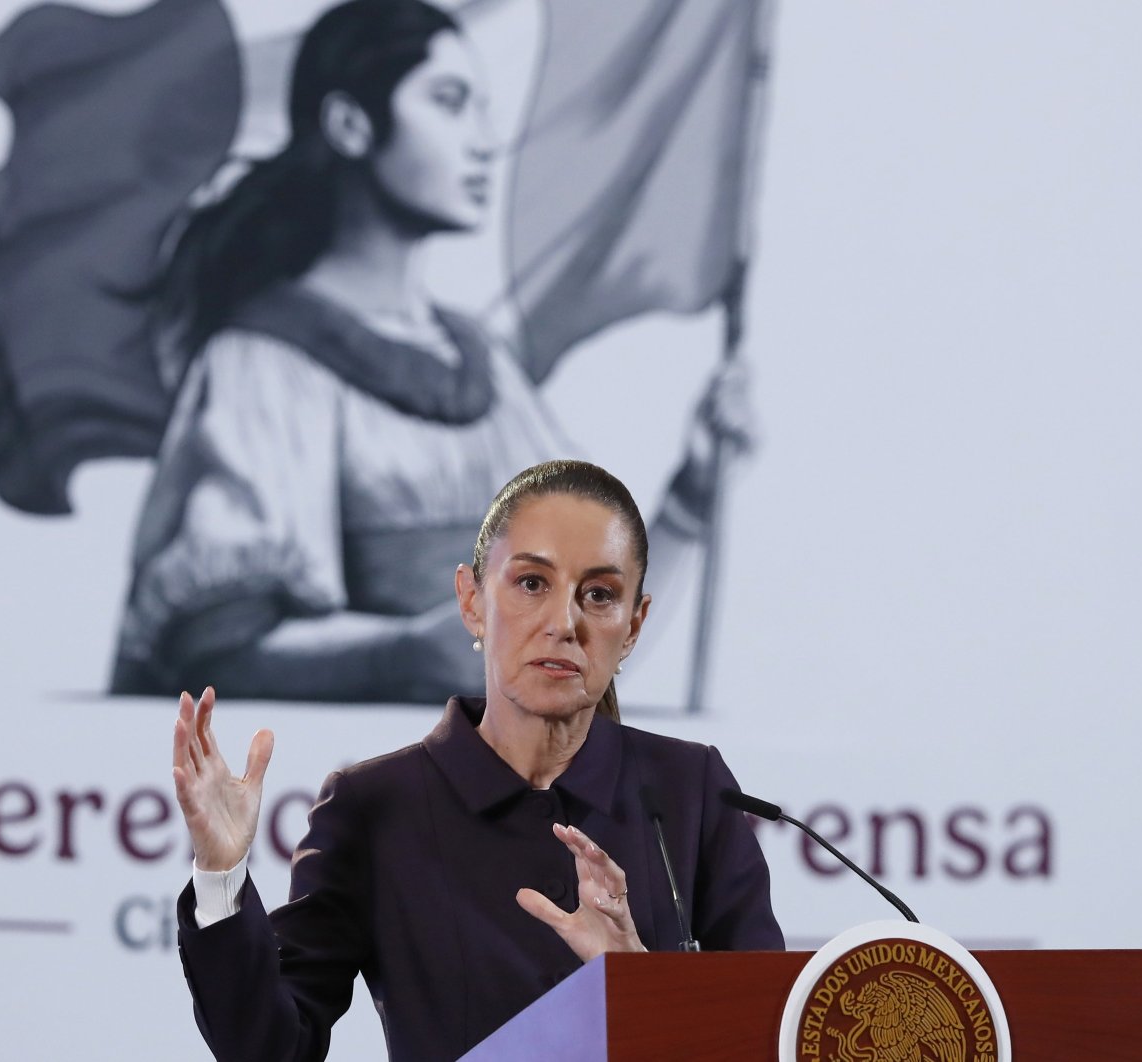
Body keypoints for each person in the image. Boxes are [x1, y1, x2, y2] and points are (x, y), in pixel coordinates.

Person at [111, 0, 752, 702]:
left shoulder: (486, 371)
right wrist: (414, 653)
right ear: (351, 125)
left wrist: (692, 497)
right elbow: (221, 654)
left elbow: (585, 648)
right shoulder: (264, 364)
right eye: (449, 103)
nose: (482, 142)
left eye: (481, 108)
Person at [170, 459, 782, 1061]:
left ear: (634, 625)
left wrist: (638, 981)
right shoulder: (377, 807)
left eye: (599, 594)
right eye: (532, 583)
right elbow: (271, 1048)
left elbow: (769, 1038)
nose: (564, 623)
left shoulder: (691, 791)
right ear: (471, 601)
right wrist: (221, 876)